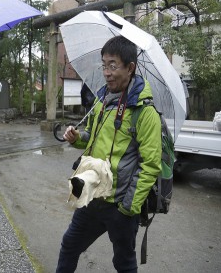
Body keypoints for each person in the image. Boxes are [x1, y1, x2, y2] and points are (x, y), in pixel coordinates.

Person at [57, 35, 162, 273]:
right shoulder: (102, 100)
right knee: (69, 245)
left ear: (130, 67)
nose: (107, 72)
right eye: (104, 65)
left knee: (124, 263)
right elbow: (91, 139)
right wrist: (77, 138)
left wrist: (128, 207)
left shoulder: (145, 113)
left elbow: (151, 165)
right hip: (92, 196)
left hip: (120, 206)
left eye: (113, 65)